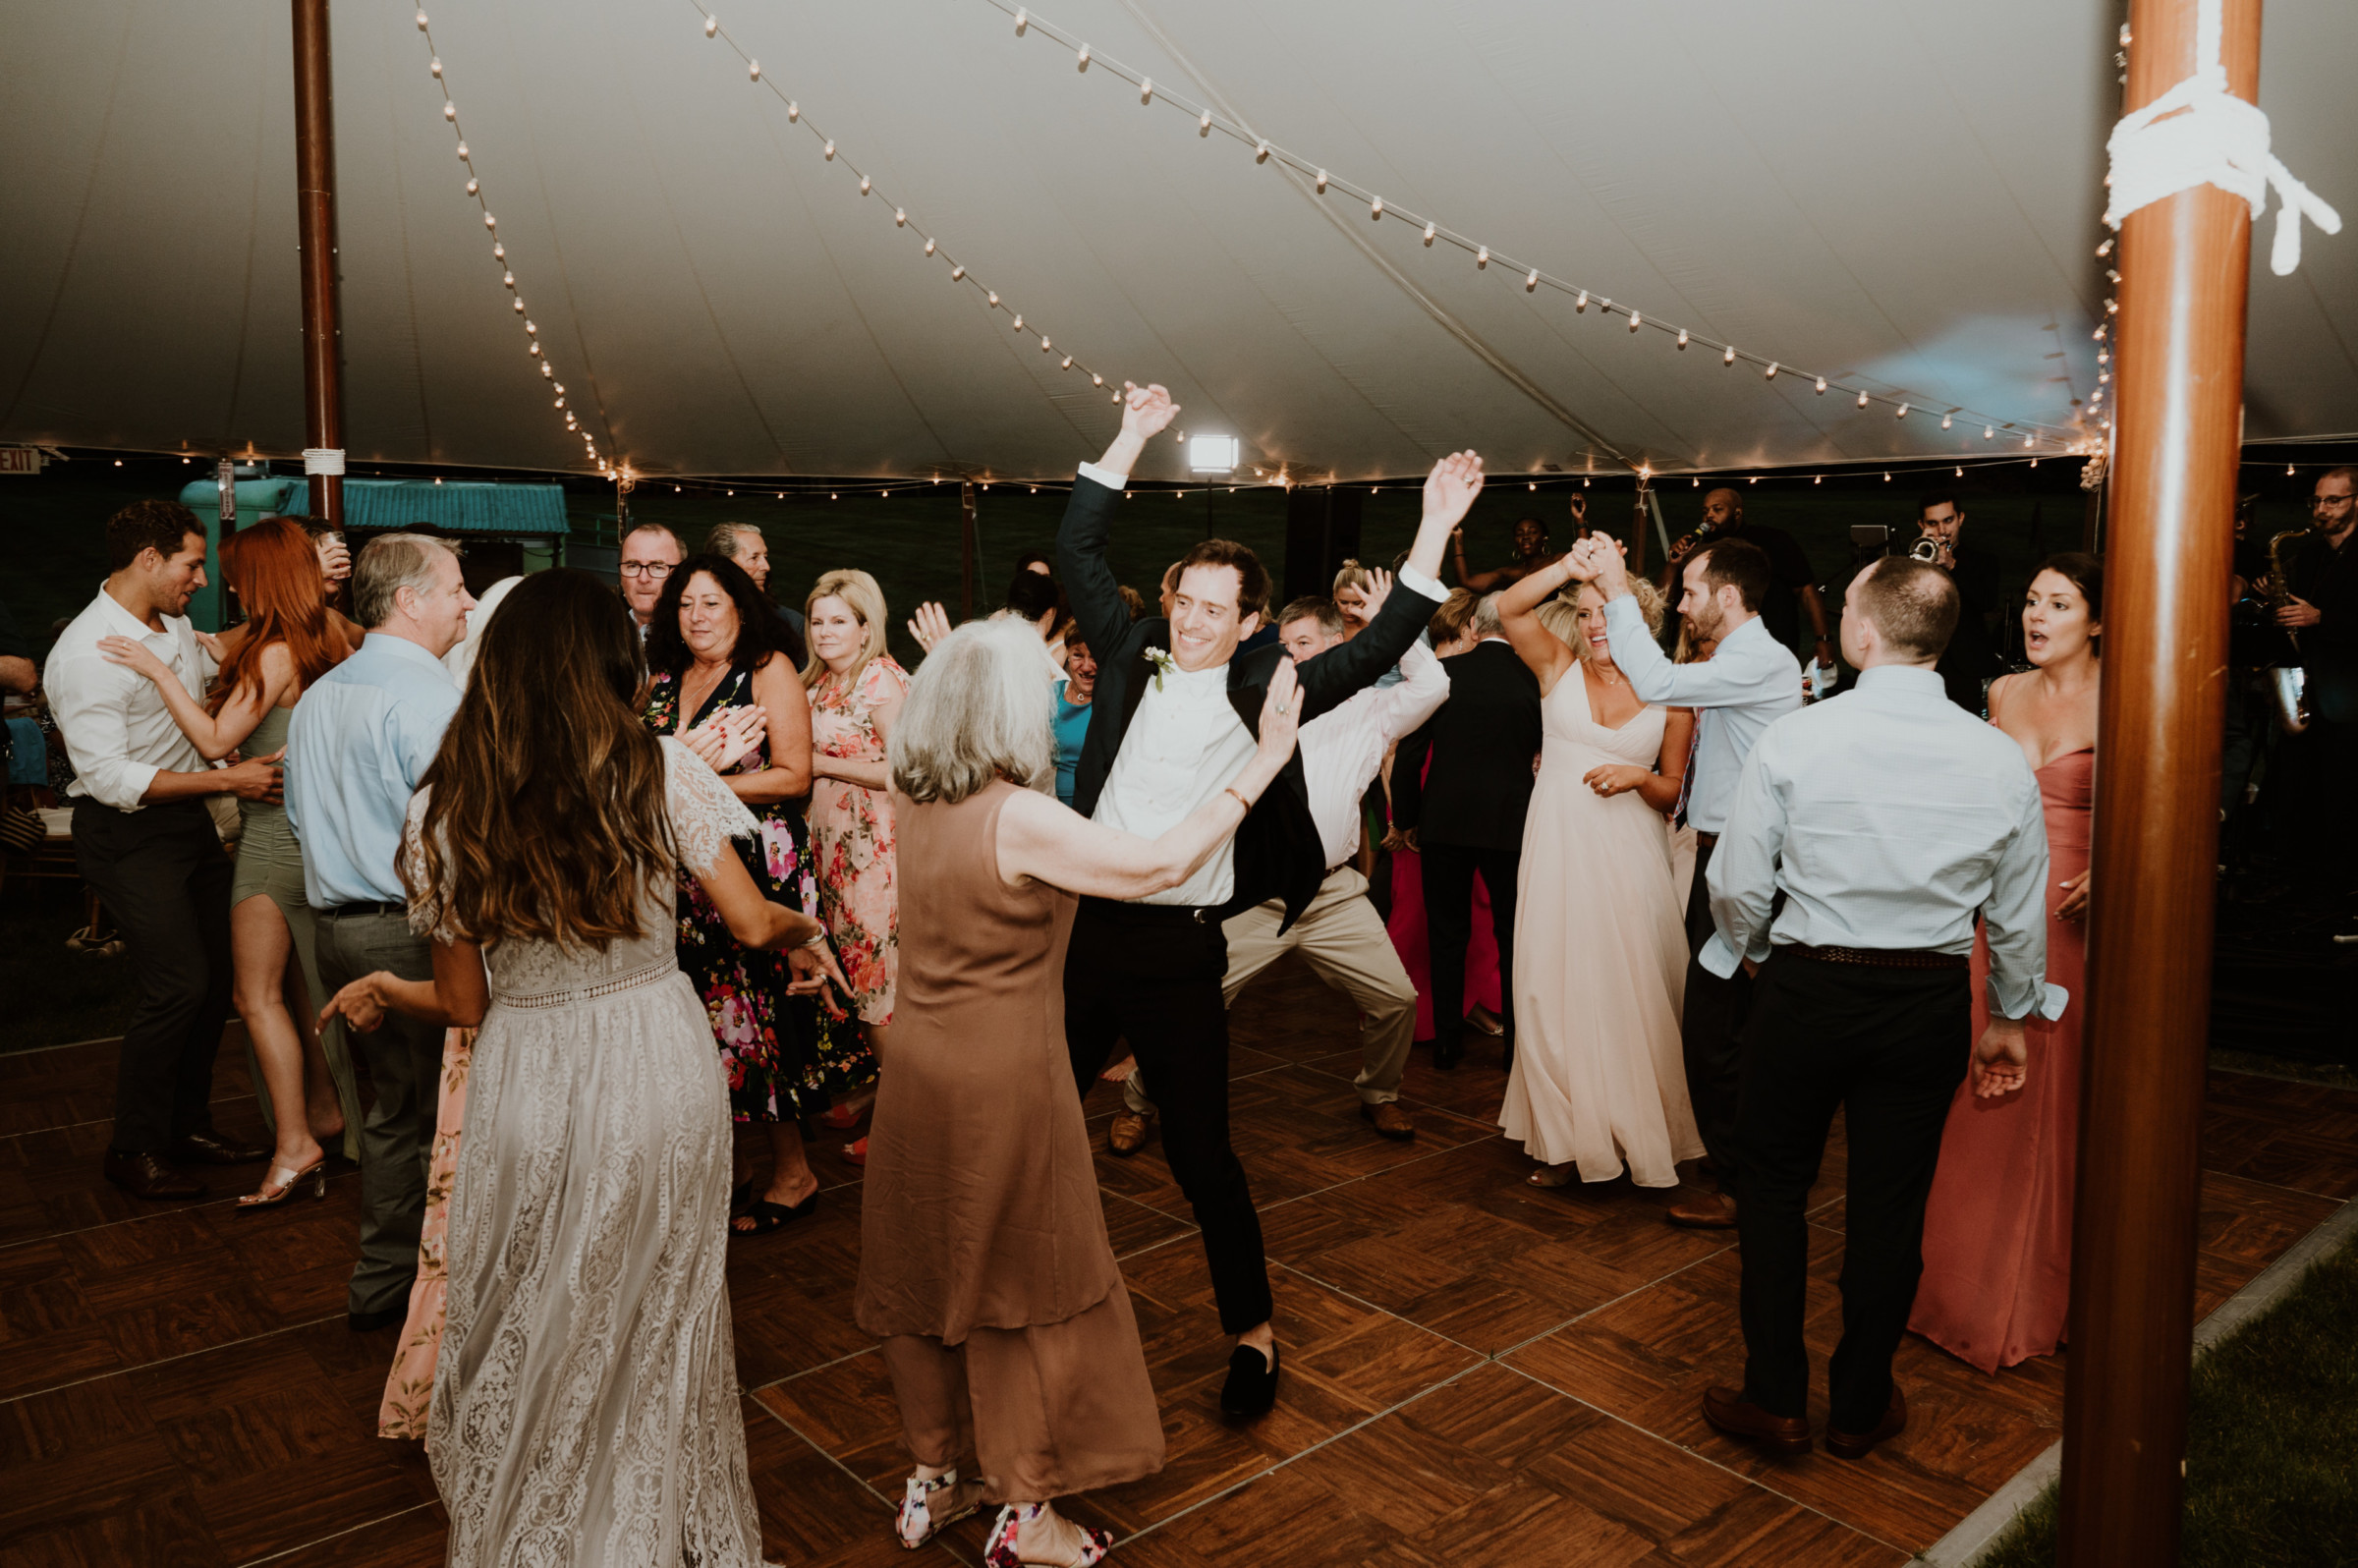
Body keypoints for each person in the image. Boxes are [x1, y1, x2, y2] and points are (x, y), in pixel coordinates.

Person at [318, 569, 832, 1564]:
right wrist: (809, 931)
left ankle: (545, 1530)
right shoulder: (658, 768)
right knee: (662, 1304)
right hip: (653, 1057)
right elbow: (751, 919)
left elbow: (466, 1004)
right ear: (608, 661)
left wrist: (392, 992)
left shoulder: (444, 806)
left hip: (528, 1070)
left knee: (536, 1300)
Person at [1056, 381, 1465, 1418]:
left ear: (1248, 622)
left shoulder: (1266, 685)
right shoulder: (1124, 652)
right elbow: (1077, 550)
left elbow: (1374, 654)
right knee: (1038, 1123)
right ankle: (1028, 1301)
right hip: (1088, 937)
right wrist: (1133, 435)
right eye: (1182, 602)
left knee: (1204, 1156)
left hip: (1184, 949)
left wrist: (1433, 530)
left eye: (1214, 609)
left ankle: (1255, 1334)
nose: (1192, 622)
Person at [862, 618, 1301, 1565]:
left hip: (919, 1070)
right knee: (1020, 1283)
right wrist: (1262, 763)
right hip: (1001, 1084)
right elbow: (1157, 866)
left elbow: (900, 731)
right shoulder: (1018, 815)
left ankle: (933, 1480)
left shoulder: (914, 789)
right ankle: (1025, 1511)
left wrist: (953, 652)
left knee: (927, 1270)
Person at [1693, 555, 2056, 1462]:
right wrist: (2008, 1018)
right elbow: (2016, 912)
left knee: (1773, 1190)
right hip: (1927, 999)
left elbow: (1735, 884)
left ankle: (1775, 1397)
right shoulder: (1997, 757)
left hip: (1811, 985)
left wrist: (1759, 953)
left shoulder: (1797, 738)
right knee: (1890, 1206)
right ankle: (1859, 1405)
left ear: (1860, 634)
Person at [1108, 592, 1448, 1152]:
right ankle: (1141, 1102)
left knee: (1397, 1000)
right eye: (1283, 646)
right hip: (1257, 893)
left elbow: (1434, 686)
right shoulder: (1256, 706)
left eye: (1304, 645)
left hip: (1334, 892)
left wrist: (1398, 618)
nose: (1289, 658)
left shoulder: (1373, 707)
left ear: (1338, 645)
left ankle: (1380, 1095)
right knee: (1194, 1001)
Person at [97, 518, 356, 1204]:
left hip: (271, 845)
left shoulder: (273, 653)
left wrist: (157, 670)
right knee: (303, 993)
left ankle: (297, 1144)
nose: (225, 582)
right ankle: (330, 1117)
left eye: (236, 572)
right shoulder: (333, 635)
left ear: (259, 578)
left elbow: (215, 739)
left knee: (255, 996)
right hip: (317, 840)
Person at [45, 500, 280, 1200]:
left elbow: (194, 698)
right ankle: (134, 1146)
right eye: (192, 563)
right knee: (176, 983)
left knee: (213, 977)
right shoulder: (85, 655)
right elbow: (111, 777)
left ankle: (187, 1125)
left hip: (186, 825)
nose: (201, 579)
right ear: (149, 560)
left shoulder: (173, 624)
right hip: (125, 833)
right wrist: (225, 776)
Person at [1570, 532, 1803, 1229]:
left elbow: (1660, 684)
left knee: (1719, 1031)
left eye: (1693, 592)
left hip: (1743, 862)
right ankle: (1738, 1169)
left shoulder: (1759, 659)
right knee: (1720, 1029)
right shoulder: (1743, 658)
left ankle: (1741, 1183)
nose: (1682, 603)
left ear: (1728, 597)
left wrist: (1617, 589)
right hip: (1722, 856)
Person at [1912, 553, 2100, 1372]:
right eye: (2031, 600)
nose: (2037, 616)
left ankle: (2048, 1292)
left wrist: (2120, 863)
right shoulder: (1999, 693)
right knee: (1974, 1089)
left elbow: (2179, 804)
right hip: (1993, 913)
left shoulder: (2130, 696)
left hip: (2076, 922)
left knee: (2056, 1099)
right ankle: (1958, 1289)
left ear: (2097, 621)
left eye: (2059, 603)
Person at [285, 532, 475, 1328]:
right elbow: (458, 835)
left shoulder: (320, 694)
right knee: (444, 1120)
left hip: (336, 929)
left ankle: (384, 1289)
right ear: (410, 600)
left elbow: (297, 819)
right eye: (457, 587)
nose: (467, 601)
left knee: (398, 1116)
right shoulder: (427, 698)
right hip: (410, 934)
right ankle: (440, 1304)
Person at [643, 553, 838, 1232]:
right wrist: (682, 782)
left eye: (710, 603)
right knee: (705, 1018)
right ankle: (736, 1166)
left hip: (759, 866)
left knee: (759, 1013)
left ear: (740, 607)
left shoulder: (766, 669)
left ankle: (795, 1171)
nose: (696, 617)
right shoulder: (663, 679)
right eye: (685, 604)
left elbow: (793, 776)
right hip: (686, 875)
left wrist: (692, 785)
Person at [1491, 562, 1701, 1189]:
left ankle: (1632, 1134)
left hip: (1631, 860)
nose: (1593, 624)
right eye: (1584, 613)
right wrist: (1569, 568)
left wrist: (1639, 779)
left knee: (1628, 991)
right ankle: (1567, 1141)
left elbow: (1672, 791)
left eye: (1606, 610)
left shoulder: (1672, 691)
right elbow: (1508, 608)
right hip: (1557, 854)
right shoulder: (1557, 667)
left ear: (1641, 618)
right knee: (1549, 988)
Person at [1391, 591, 1542, 1072]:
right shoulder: (1533, 679)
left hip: (1445, 823)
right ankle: (1515, 1048)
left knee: (1446, 934)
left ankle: (1447, 1043)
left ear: (1473, 625)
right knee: (1512, 935)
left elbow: (1410, 753)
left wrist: (1407, 820)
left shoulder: (1445, 677)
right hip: (1511, 824)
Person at [804, 568, 907, 1157]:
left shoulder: (882, 682)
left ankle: (901, 1125)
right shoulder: (819, 685)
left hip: (875, 855)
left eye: (838, 621)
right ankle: (881, 1090)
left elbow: (904, 772)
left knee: (878, 985)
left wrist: (820, 762)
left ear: (866, 627)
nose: (824, 632)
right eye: (817, 621)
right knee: (852, 975)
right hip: (832, 851)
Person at [1382, 589, 1505, 1040]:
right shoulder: (1432, 680)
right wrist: (1402, 821)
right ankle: (1408, 1007)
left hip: (1441, 812)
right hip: (1426, 815)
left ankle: (1460, 1004)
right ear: (1465, 630)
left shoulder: (1451, 676)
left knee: (1461, 913)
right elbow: (1396, 756)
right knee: (1421, 917)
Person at [2277, 466, 2358, 924]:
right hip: (2307, 691)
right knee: (2299, 786)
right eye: (2317, 501)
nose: (2322, 510)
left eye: (2334, 501)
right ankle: (2301, 878)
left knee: (2342, 791)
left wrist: (2321, 619)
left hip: (2349, 697)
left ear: (2356, 503)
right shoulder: (2307, 557)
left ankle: (2340, 883)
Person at [1661, 489, 1834, 670]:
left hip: (1771, 645)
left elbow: (1806, 591)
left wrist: (1823, 639)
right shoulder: (1699, 550)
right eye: (1705, 511)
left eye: (1717, 509)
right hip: (1712, 654)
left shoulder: (1773, 540)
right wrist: (1673, 564)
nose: (1709, 515)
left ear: (1737, 513)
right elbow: (1663, 598)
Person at [1913, 492, 2002, 711]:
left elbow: (1987, 601)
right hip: (1924, 667)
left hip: (1966, 669)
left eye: (1948, 520)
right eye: (1933, 523)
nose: (1942, 530)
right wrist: (1920, 564)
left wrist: (1952, 565)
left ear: (1961, 518)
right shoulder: (1912, 563)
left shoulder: (1984, 561)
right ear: (1921, 525)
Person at [706, 520, 808, 660]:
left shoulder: (791, 624)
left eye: (765, 557)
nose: (766, 566)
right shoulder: (699, 621)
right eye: (754, 558)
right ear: (723, 565)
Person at [1452, 511, 1571, 591]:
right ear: (1515, 541)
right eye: (1520, 534)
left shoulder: (1557, 561)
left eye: (1533, 532)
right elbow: (1466, 582)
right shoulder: (1509, 573)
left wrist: (1580, 521)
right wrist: (1458, 536)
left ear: (1544, 537)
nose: (1525, 537)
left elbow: (1586, 557)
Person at [618, 521, 684, 640]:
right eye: (633, 566)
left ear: (681, 574)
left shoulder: (695, 639)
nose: (643, 579)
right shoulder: (600, 633)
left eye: (657, 567)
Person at [1053, 626, 1096, 809]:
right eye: (1078, 655)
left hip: (1090, 810)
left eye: (1095, 656)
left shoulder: (1111, 704)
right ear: (1067, 656)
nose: (1086, 667)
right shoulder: (1052, 693)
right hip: (1045, 802)